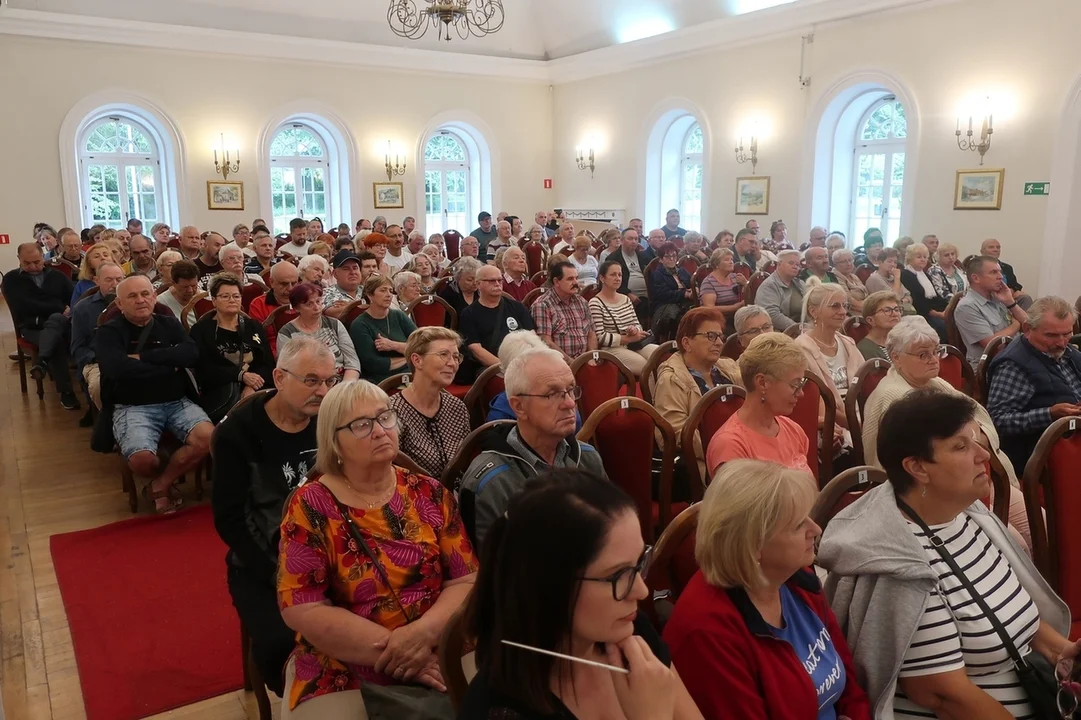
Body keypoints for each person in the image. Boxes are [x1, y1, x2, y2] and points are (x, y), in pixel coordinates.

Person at [818, 389, 1078, 719]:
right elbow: (943, 694)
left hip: (1034, 691)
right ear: (917, 468)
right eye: (960, 446)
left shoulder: (963, 515)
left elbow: (1004, 612)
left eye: (976, 440)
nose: (983, 454)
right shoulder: (899, 562)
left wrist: (1065, 654)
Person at [276, 379, 477, 718]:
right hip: (346, 660)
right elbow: (303, 608)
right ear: (334, 442)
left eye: (385, 417)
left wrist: (422, 636)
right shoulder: (310, 505)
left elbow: (465, 580)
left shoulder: (428, 492)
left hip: (442, 639)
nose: (381, 431)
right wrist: (400, 652)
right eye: (361, 425)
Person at [462, 471, 704, 720]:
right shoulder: (500, 712)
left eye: (639, 563)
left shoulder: (629, 631)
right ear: (551, 587)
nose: (641, 591)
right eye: (618, 575)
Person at [665, 460, 870, 719]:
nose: (816, 529)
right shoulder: (708, 632)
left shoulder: (797, 580)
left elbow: (851, 688)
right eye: (798, 525)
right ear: (753, 544)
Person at [862, 316, 1033, 551]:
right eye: (923, 354)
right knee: (1017, 547)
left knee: (1038, 525)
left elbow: (982, 424)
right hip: (935, 494)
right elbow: (934, 462)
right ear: (895, 357)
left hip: (974, 476)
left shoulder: (935, 385)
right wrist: (970, 439)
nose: (933, 359)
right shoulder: (896, 398)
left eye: (936, 351)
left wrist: (965, 442)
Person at [460, 348, 606, 546]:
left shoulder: (587, 457)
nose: (570, 403)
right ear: (519, 406)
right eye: (553, 394)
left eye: (571, 390)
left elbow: (608, 532)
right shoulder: (492, 482)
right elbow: (495, 571)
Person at [94, 275, 213, 513]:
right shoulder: (108, 332)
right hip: (131, 405)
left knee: (210, 438)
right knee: (141, 460)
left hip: (176, 401)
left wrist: (144, 358)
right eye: (132, 296)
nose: (140, 300)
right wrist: (169, 363)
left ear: (154, 296)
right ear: (119, 303)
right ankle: (166, 475)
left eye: (145, 294)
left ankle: (161, 484)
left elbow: (190, 354)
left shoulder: (168, 323)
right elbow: (117, 369)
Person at [705, 334, 815, 487]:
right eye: (795, 385)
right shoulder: (731, 446)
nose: (801, 393)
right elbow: (742, 510)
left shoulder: (794, 431)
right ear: (762, 383)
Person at [987, 295, 1081, 472]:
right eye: (1051, 335)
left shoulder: (1067, 351)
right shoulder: (1014, 365)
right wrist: (1049, 414)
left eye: (1067, 334)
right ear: (1028, 328)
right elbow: (997, 421)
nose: (1061, 343)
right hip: (1045, 459)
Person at [654, 308, 742, 472]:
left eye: (720, 336)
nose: (719, 342)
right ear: (687, 343)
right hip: (706, 466)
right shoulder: (672, 380)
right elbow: (675, 435)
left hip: (743, 456)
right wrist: (731, 448)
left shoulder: (729, 369)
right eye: (710, 336)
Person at [189, 274, 275, 422]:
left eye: (236, 296)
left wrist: (251, 387)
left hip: (257, 387)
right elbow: (205, 368)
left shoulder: (253, 326)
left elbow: (267, 362)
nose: (232, 300)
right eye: (225, 296)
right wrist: (241, 376)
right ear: (214, 300)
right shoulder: (201, 330)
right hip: (222, 390)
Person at [3, 243, 79, 409]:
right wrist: (58, 307)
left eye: (37, 262)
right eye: (27, 263)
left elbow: (73, 298)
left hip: (58, 324)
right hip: (32, 328)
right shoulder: (11, 279)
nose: (32, 267)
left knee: (57, 321)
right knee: (56, 336)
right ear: (19, 260)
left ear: (43, 258)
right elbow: (23, 306)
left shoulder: (57, 276)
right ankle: (66, 392)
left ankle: (42, 362)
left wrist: (64, 308)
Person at [388, 328, 471, 477]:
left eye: (456, 356)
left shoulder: (457, 407)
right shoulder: (392, 412)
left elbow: (467, 464)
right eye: (443, 355)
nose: (452, 363)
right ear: (417, 360)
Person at [794, 283, 862, 432]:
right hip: (830, 424)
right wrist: (856, 427)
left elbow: (866, 386)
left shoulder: (848, 344)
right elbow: (814, 402)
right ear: (813, 311)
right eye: (835, 306)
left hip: (860, 415)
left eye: (845, 305)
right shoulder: (800, 350)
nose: (843, 311)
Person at [457, 264, 535, 383]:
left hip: (524, 362)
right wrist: (507, 368)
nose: (497, 284)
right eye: (491, 281)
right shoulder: (469, 314)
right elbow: (476, 349)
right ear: (478, 284)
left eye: (499, 280)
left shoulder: (517, 307)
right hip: (492, 367)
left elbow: (532, 337)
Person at [953, 255, 1028, 367]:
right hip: (992, 365)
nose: (1000, 277)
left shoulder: (999, 298)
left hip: (1015, 356)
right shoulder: (967, 307)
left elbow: (1031, 326)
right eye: (994, 272)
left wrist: (1011, 303)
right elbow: (993, 345)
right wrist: (1016, 324)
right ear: (976, 278)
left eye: (1000, 272)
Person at [278, 282, 361, 382]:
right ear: (296, 308)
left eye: (318, 301)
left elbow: (352, 362)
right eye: (309, 304)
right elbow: (287, 371)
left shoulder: (335, 324)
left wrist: (345, 386)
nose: (316, 307)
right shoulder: (287, 333)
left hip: (341, 383)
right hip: (307, 386)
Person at [71, 261, 124, 412]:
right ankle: (107, 421)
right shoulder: (83, 308)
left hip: (129, 357)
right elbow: (77, 348)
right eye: (108, 280)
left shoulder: (131, 304)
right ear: (97, 280)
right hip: (96, 361)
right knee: (99, 386)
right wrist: (98, 359)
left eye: (119, 279)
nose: (114, 284)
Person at [588, 260, 658, 375]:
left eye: (620, 275)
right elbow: (600, 337)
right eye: (613, 274)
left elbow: (637, 324)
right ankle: (651, 393)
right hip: (612, 349)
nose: (617, 278)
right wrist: (628, 338)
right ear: (602, 278)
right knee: (648, 368)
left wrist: (635, 330)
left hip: (634, 343)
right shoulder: (595, 303)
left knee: (662, 359)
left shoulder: (625, 299)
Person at [349, 274, 417, 384]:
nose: (388, 295)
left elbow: (422, 345)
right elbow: (374, 364)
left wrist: (393, 345)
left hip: (412, 374)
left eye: (390, 291)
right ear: (370, 295)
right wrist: (410, 358)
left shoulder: (399, 315)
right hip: (382, 381)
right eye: (383, 290)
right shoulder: (360, 324)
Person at [532, 261, 597, 364]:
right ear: (556, 282)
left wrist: (592, 357)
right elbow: (546, 342)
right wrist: (574, 363)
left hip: (586, 361)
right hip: (559, 363)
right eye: (570, 279)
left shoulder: (581, 301)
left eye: (576, 278)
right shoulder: (542, 305)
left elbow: (591, 334)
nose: (576, 282)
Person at [900, 242, 950, 342]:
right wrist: (937, 314)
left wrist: (948, 306)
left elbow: (936, 296)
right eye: (919, 257)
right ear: (910, 259)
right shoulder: (906, 274)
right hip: (921, 313)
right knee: (943, 327)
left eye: (925, 257)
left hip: (933, 310)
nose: (923, 259)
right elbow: (917, 300)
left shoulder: (925, 274)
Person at [248, 261, 300, 356]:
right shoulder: (258, 304)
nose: (290, 288)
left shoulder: (306, 300)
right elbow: (257, 339)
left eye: (294, 283)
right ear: (271, 282)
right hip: (273, 355)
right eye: (284, 284)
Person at [649, 242, 694, 341]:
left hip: (684, 303)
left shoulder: (681, 270)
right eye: (667, 256)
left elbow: (692, 283)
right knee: (683, 318)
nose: (672, 259)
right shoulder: (657, 274)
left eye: (674, 256)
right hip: (665, 304)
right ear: (661, 259)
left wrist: (694, 290)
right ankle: (677, 343)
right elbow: (662, 294)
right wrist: (684, 294)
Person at [755, 249, 806, 332]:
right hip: (780, 332)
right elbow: (772, 315)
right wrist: (799, 329)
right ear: (779, 264)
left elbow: (811, 305)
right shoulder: (769, 286)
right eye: (791, 263)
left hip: (802, 328)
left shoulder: (800, 283)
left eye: (798, 265)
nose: (795, 266)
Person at [610, 227, 652, 320]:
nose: (634, 241)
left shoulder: (643, 256)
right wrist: (628, 294)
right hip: (626, 295)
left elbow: (652, 276)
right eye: (630, 239)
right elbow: (611, 281)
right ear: (622, 240)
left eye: (636, 239)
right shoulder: (613, 258)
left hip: (648, 294)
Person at [697, 248, 746, 327]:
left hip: (738, 317)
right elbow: (709, 308)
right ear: (716, 264)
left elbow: (750, 297)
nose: (731, 262)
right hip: (717, 321)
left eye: (731, 259)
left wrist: (746, 284)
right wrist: (734, 307)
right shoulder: (708, 282)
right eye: (726, 260)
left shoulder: (735, 277)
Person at [981, 238, 1032, 309]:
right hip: (987, 298)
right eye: (991, 247)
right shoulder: (977, 267)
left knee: (1025, 298)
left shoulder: (1007, 267)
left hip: (1007, 298)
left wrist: (1013, 290)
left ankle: (1023, 319)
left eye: (998, 247)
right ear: (982, 251)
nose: (995, 249)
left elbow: (1016, 285)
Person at [855, 291, 902, 361]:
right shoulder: (865, 350)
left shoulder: (900, 341)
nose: (895, 314)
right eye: (887, 310)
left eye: (896, 309)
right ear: (870, 320)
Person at [864, 248, 913, 314]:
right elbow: (893, 298)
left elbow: (909, 296)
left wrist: (900, 301)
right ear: (880, 262)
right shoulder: (875, 279)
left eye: (895, 262)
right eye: (889, 261)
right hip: (886, 315)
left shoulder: (893, 277)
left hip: (901, 312)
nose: (893, 264)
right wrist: (897, 278)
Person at [155, 259, 200, 328]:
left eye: (194, 285)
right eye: (185, 287)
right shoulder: (161, 303)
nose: (190, 290)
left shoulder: (206, 298)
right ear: (173, 283)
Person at [322, 250, 365, 319]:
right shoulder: (327, 293)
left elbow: (381, 308)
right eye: (346, 269)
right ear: (335, 274)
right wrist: (364, 305)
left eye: (355, 268)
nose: (352, 272)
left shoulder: (369, 290)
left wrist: (350, 306)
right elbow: (333, 313)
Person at [831, 248, 868, 314]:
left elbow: (866, 294)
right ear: (835, 264)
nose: (848, 264)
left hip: (864, 309)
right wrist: (871, 308)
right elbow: (849, 301)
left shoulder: (853, 276)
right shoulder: (834, 278)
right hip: (851, 314)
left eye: (850, 260)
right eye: (843, 262)